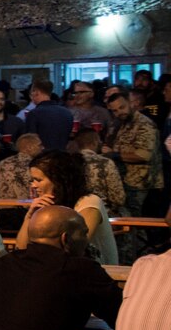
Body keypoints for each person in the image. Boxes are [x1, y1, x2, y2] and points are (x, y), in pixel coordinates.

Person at [15, 150, 118, 264]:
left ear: (58, 180)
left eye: (38, 180)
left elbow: (75, 247)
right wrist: (30, 216)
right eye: (32, 180)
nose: (33, 185)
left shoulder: (89, 203)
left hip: (91, 272)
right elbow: (21, 249)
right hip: (58, 270)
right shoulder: (46, 206)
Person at [106, 86, 163, 217]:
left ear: (131, 103)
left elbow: (143, 156)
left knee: (140, 222)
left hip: (141, 184)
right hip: (128, 181)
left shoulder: (144, 124)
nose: (119, 112)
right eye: (115, 111)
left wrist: (114, 155)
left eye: (122, 107)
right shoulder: (122, 123)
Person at [70, 127, 128, 220]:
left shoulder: (68, 162)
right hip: (103, 214)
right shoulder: (105, 162)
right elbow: (118, 198)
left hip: (73, 213)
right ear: (96, 142)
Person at [20, 79, 75, 159]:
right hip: (64, 158)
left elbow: (31, 141)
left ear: (36, 92)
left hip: (42, 159)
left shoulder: (34, 114)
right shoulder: (67, 112)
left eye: (31, 92)